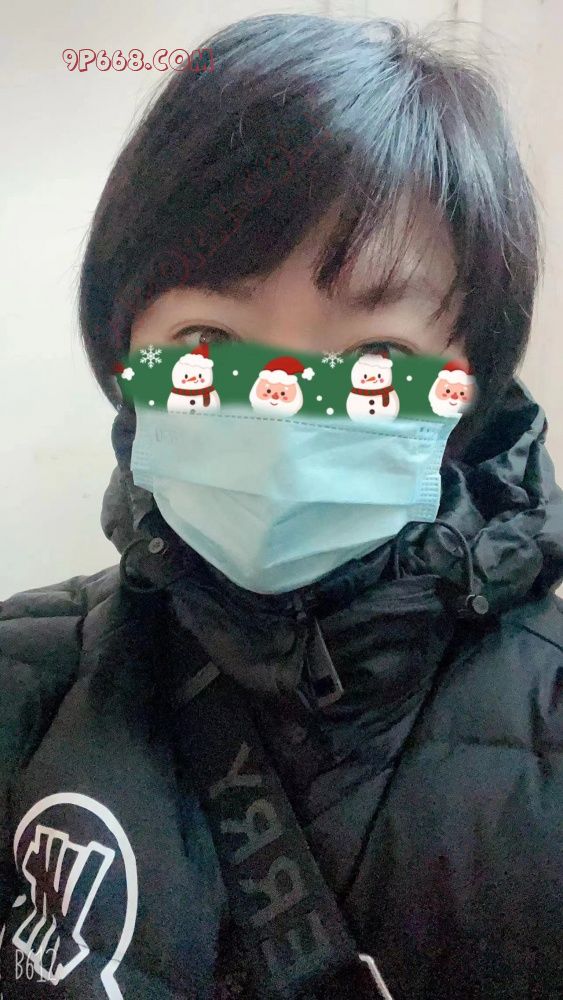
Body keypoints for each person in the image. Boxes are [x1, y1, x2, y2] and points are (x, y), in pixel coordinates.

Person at [0, 13, 561, 1000]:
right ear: (127, 354)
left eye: (376, 356)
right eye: (211, 339)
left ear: (463, 389)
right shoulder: (22, 678)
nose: (284, 407)